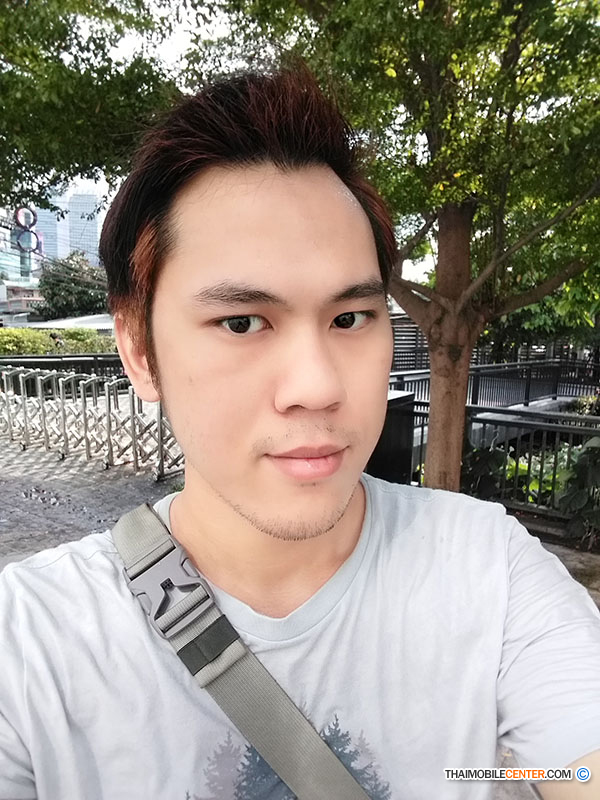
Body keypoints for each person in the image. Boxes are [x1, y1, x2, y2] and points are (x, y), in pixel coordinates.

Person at [1, 66, 599, 800]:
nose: (317, 386)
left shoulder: (491, 573)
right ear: (138, 350)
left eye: (350, 318)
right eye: (242, 322)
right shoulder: (28, 647)